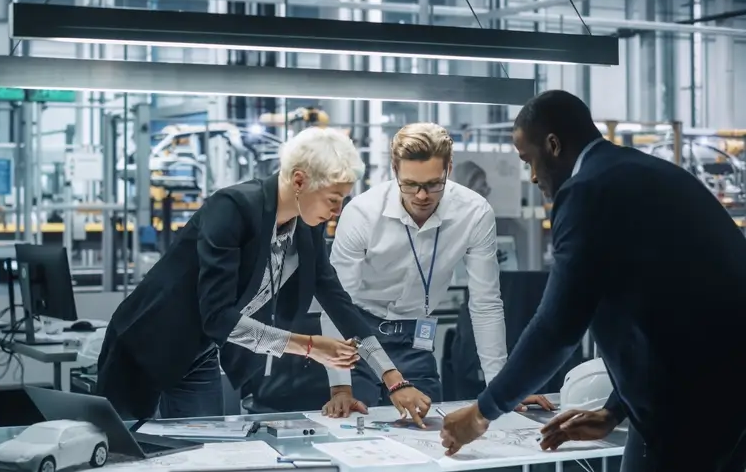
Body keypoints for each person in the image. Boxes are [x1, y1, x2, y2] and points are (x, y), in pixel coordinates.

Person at [440, 90, 746, 471]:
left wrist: (483, 412)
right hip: (723, 398)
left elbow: (557, 326)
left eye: (529, 161)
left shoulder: (586, 191)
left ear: (553, 145)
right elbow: (668, 303)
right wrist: (615, 410)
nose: (533, 176)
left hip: (688, 408)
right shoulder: (646, 173)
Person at [97, 127, 429, 422]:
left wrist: (394, 379)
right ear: (299, 181)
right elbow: (217, 317)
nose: (337, 210)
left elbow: (337, 301)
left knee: (203, 452)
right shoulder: (232, 208)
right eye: (333, 198)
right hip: (144, 345)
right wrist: (310, 346)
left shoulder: (305, 226)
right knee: (124, 454)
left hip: (199, 352)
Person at [320, 123, 551, 418]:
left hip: (417, 340)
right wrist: (340, 388)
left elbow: (485, 304)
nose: (421, 195)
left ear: (449, 169)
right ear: (395, 171)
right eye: (410, 184)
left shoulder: (474, 213)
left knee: (428, 433)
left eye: (433, 184)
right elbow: (337, 306)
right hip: (358, 341)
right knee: (356, 429)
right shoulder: (362, 213)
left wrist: (504, 387)